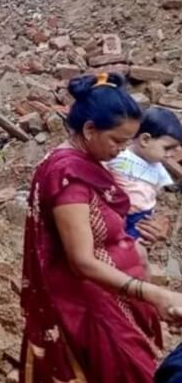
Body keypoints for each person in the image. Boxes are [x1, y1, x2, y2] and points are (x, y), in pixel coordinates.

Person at [20, 73, 182, 383]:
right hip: (89, 305)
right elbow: (82, 261)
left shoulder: (88, 162)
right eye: (117, 141)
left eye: (127, 141)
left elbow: (102, 225)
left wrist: (137, 236)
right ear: (90, 129)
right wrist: (154, 293)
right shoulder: (68, 176)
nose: (123, 149)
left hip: (112, 294)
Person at [107, 106, 181, 271]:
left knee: (137, 254)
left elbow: (156, 193)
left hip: (142, 217)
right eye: (167, 148)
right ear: (145, 139)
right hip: (119, 214)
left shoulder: (156, 166)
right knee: (133, 254)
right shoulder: (119, 157)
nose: (170, 154)